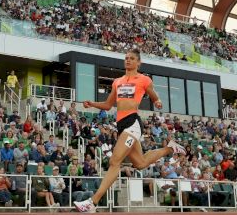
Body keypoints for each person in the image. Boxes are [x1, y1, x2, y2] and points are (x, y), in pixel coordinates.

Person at [74, 49, 185, 213]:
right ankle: (171, 148)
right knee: (140, 163)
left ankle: (93, 202)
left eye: (131, 58)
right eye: (126, 58)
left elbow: (154, 96)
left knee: (114, 162)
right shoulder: (117, 81)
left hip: (132, 123)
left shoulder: (144, 79)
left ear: (138, 62)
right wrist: (92, 103)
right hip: (121, 125)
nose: (128, 60)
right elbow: (108, 105)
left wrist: (158, 102)